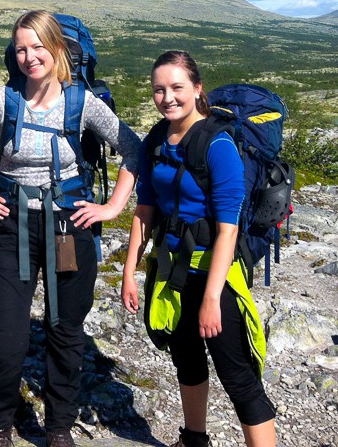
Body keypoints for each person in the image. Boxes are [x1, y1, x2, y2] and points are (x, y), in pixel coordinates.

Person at [0, 10, 142, 447]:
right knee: (4, 335)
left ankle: (58, 428)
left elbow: (134, 151)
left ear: (57, 49)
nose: (30, 57)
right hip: (12, 227)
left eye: (38, 47)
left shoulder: (83, 103)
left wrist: (111, 208)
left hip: (68, 227)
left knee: (65, 331)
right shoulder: (0, 100)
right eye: (21, 49)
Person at [120, 50, 276, 447]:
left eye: (177, 88)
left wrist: (211, 298)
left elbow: (227, 231)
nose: (167, 97)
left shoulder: (218, 146)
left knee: (237, 374)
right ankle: (193, 439)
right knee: (187, 360)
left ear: (197, 89)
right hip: (172, 271)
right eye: (159, 89)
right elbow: (145, 209)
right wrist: (129, 273)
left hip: (216, 275)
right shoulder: (156, 139)